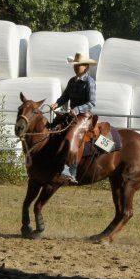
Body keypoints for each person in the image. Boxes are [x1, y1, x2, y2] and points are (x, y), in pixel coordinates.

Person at [49, 52, 98, 184]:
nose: (76, 67)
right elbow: (64, 97)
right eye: (75, 65)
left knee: (71, 136)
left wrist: (77, 109)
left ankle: (71, 170)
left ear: (86, 67)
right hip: (72, 115)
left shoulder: (90, 82)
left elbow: (91, 103)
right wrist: (56, 104)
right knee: (53, 130)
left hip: (84, 116)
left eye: (80, 65)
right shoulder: (72, 81)